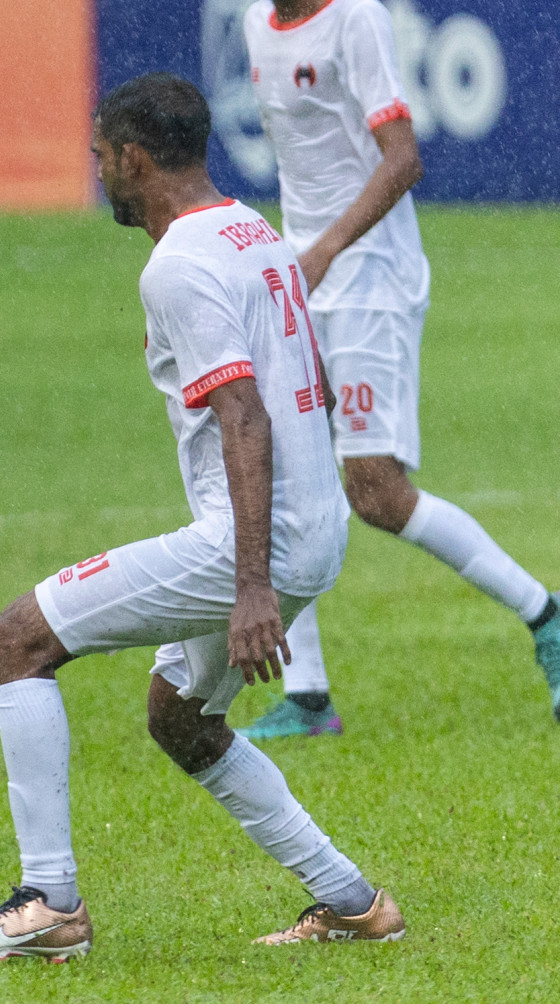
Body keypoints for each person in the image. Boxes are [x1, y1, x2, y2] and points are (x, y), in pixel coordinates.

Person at [0, 74, 403, 962]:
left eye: (103, 156)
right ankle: (352, 901)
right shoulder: (249, 228)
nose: (99, 170)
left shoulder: (179, 263)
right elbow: (312, 378)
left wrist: (254, 584)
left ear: (136, 158)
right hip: (312, 529)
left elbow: (245, 416)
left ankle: (50, 903)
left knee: (16, 642)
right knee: (180, 719)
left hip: (250, 546)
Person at [235, 0, 560, 740]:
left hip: (370, 282)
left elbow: (403, 157)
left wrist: (327, 248)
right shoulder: (258, 23)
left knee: (376, 492)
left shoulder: (357, 19)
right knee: (281, 469)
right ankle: (309, 696)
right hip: (305, 277)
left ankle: (544, 612)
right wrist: (294, 254)